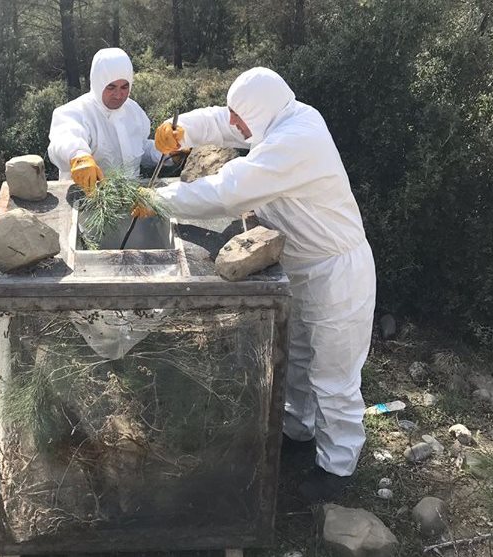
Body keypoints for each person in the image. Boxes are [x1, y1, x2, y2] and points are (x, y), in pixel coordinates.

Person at [149, 67, 377, 503]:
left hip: (337, 272)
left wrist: (156, 200)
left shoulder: (297, 139)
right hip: (302, 265)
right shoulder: (279, 117)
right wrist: (183, 131)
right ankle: (299, 433)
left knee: (334, 374)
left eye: (241, 116)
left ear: (261, 111)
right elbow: (228, 122)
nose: (234, 124)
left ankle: (338, 471)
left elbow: (229, 192)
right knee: (298, 357)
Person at [48, 47, 161, 194]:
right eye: (111, 87)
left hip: (131, 198)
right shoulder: (76, 112)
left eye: (124, 87)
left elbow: (141, 147)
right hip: (86, 201)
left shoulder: (134, 111)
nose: (118, 95)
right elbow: (65, 137)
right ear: (98, 83)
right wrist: (79, 156)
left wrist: (166, 151)